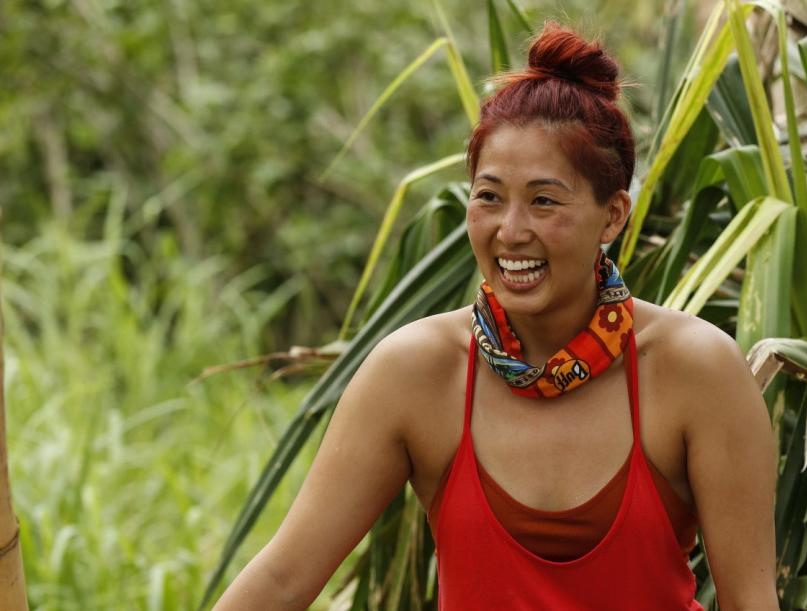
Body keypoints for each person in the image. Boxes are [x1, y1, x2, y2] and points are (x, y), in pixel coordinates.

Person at [214, 21, 777, 611]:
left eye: (544, 200)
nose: (510, 232)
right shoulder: (416, 373)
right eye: (488, 196)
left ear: (612, 217)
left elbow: (751, 603)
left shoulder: (695, 370)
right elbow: (282, 581)